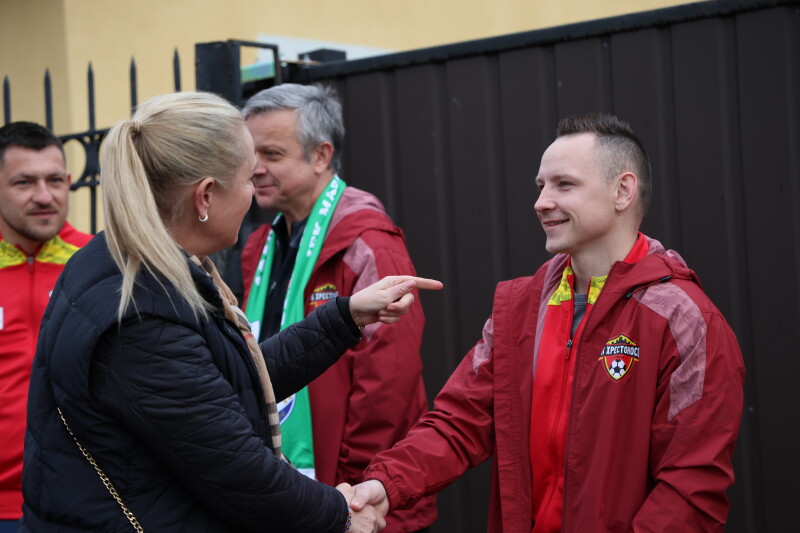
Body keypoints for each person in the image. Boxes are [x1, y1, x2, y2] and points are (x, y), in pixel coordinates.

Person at [19, 91, 441, 532]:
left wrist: (345, 316)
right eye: (246, 177)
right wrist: (341, 514)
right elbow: (236, 467)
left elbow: (231, 380)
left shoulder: (123, 262)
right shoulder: (144, 312)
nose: (253, 190)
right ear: (205, 196)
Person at [351, 113, 746, 532]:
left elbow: (689, 489)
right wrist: (385, 484)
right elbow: (460, 421)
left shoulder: (685, 320)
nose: (541, 202)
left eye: (564, 184)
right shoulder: (521, 308)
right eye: (541, 186)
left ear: (623, 191)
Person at [239, 84, 436, 532]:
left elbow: (388, 381)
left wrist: (350, 490)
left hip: (359, 501)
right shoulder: (260, 245)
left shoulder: (366, 241)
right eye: (251, 154)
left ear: (321, 155)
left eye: (271, 153)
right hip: (291, 496)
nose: (255, 168)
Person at [0, 121, 92, 531]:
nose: (44, 196)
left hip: (86, 501)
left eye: (55, 181)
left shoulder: (100, 261)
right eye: (24, 182)